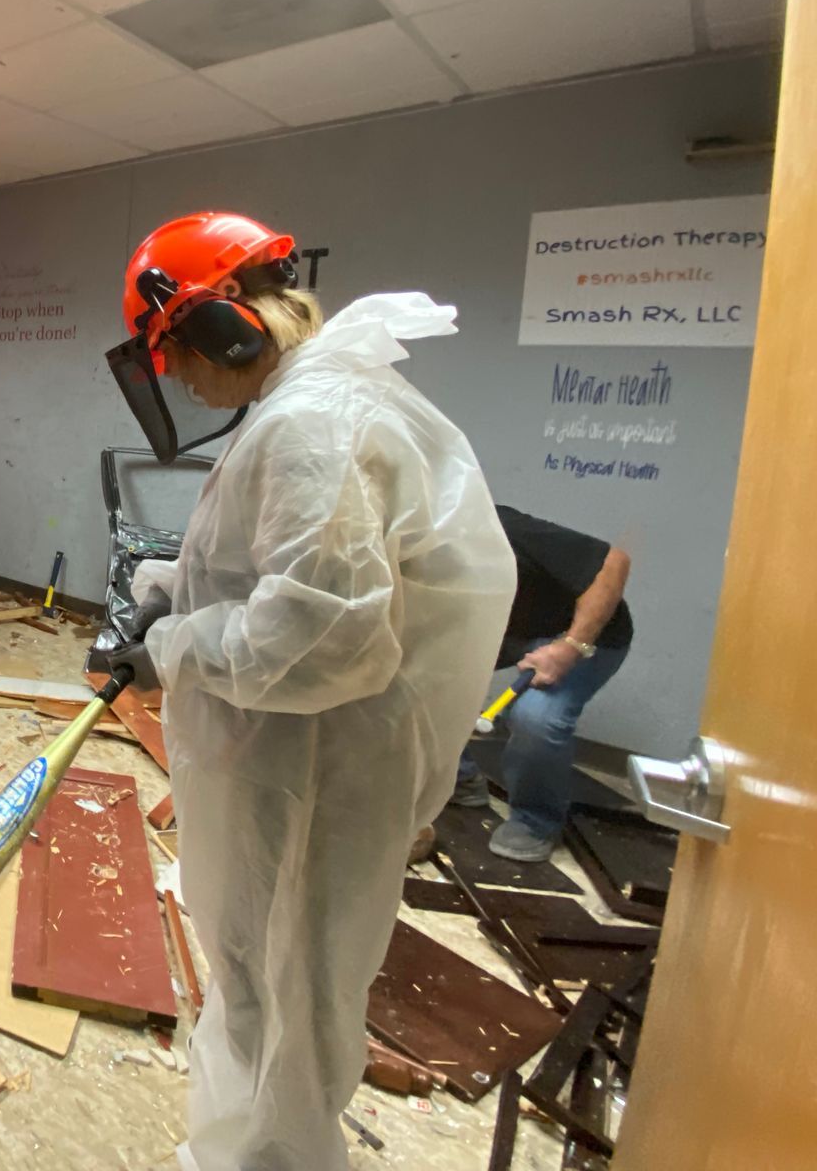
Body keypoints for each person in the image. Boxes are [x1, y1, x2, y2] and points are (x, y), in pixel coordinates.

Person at [106, 211, 516, 1171]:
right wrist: (173, 589)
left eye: (175, 353)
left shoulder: (311, 422)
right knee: (268, 983)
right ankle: (247, 1150)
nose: (178, 379)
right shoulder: (318, 398)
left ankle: (272, 1161)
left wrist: (173, 648)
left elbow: (327, 634)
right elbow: (287, 572)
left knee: (288, 992)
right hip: (303, 754)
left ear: (224, 326)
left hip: (315, 769)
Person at [453, 506, 633, 861]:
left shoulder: (494, 524)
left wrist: (570, 646)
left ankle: (535, 821)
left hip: (580, 635)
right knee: (416, 681)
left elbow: (614, 562)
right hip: (505, 629)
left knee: (536, 718)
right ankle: (459, 780)